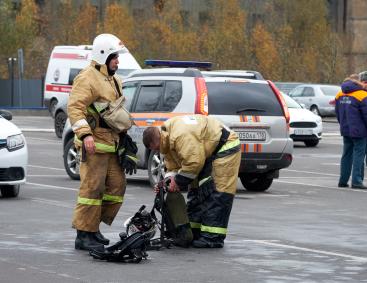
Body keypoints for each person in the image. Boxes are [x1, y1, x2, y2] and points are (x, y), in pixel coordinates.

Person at [68, 34, 131, 251]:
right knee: (92, 189)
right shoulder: (87, 78)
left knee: (116, 187)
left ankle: (93, 228)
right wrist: (85, 135)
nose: (117, 61)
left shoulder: (114, 79)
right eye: (114, 57)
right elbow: (75, 108)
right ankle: (84, 234)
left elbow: (115, 113)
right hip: (94, 145)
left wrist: (124, 139)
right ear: (103, 55)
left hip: (112, 145)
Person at [143, 115, 241, 248]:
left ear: (158, 139)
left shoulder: (179, 135)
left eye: (156, 148)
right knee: (196, 191)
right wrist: (167, 181)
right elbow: (173, 165)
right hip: (206, 152)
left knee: (219, 192)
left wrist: (177, 182)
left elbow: (194, 162)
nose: (156, 151)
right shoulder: (166, 140)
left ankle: (213, 237)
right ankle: (193, 232)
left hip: (225, 147)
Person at [335, 74, 367, 190]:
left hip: (346, 129)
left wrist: (342, 124)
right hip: (359, 131)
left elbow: (337, 112)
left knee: (346, 155)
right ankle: (357, 181)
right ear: (358, 82)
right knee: (358, 155)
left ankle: (343, 181)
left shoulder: (340, 94)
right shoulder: (362, 94)